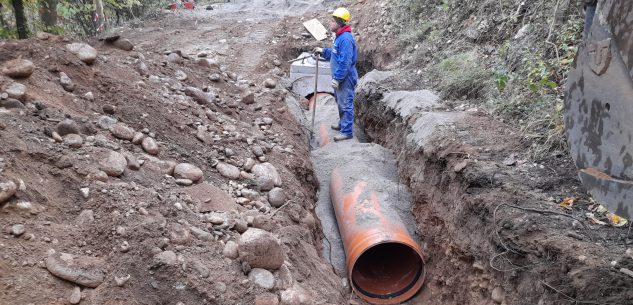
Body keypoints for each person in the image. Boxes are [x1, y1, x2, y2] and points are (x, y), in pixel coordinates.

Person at [314, 7, 358, 142]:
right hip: (340, 78)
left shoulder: (345, 39)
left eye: (332, 21)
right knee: (340, 102)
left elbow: (345, 61)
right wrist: (323, 51)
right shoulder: (339, 37)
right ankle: (342, 124)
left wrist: (338, 79)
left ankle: (347, 131)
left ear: (339, 22)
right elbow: (335, 55)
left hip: (345, 78)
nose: (329, 23)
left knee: (345, 104)